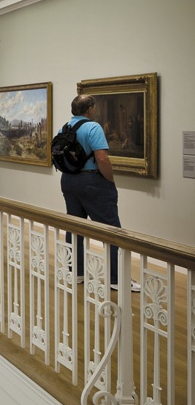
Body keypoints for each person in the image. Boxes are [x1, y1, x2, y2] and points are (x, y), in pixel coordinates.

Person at [60, 94, 139, 292]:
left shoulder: (65, 128)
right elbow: (102, 158)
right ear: (89, 109)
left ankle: (75, 272)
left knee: (74, 226)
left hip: (68, 181)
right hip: (92, 181)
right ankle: (116, 278)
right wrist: (110, 181)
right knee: (112, 230)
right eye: (93, 107)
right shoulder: (93, 127)